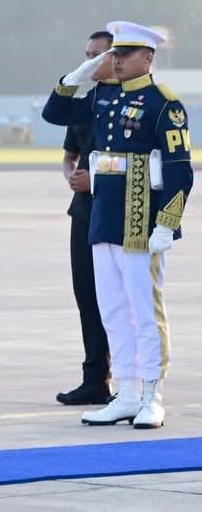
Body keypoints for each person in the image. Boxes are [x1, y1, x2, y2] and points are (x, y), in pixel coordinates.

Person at [42, 21, 193, 429]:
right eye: (115, 54)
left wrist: (168, 222)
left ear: (148, 58)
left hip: (141, 221)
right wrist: (82, 73)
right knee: (112, 310)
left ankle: (151, 395)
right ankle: (125, 392)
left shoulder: (164, 104)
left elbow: (180, 170)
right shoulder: (103, 96)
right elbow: (53, 112)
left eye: (125, 54)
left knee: (145, 312)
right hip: (104, 218)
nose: (117, 61)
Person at [55, 30, 117, 405]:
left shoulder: (134, 103)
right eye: (87, 55)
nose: (90, 62)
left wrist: (94, 178)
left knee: (120, 299)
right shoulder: (83, 103)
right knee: (87, 296)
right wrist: (71, 178)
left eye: (98, 55)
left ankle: (128, 380)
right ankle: (95, 377)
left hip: (118, 212)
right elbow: (69, 154)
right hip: (84, 212)